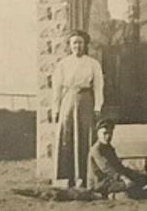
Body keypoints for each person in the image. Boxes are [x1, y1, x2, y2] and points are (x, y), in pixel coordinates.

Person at [52, 30, 104, 187]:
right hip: (68, 101)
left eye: (80, 42)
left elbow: (98, 86)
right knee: (67, 136)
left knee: (85, 136)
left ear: (85, 44)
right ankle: (66, 177)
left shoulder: (93, 63)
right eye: (74, 42)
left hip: (86, 101)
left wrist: (97, 106)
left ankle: (84, 177)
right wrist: (55, 108)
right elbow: (57, 88)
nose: (77, 46)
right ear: (70, 45)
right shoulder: (63, 64)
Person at [87, 119, 147, 199]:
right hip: (100, 183)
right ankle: (115, 195)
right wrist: (124, 178)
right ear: (98, 134)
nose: (108, 136)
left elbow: (118, 166)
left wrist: (133, 173)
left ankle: (128, 193)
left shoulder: (109, 148)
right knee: (129, 184)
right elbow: (107, 168)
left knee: (143, 178)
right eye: (105, 133)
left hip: (113, 179)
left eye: (110, 133)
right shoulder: (96, 150)